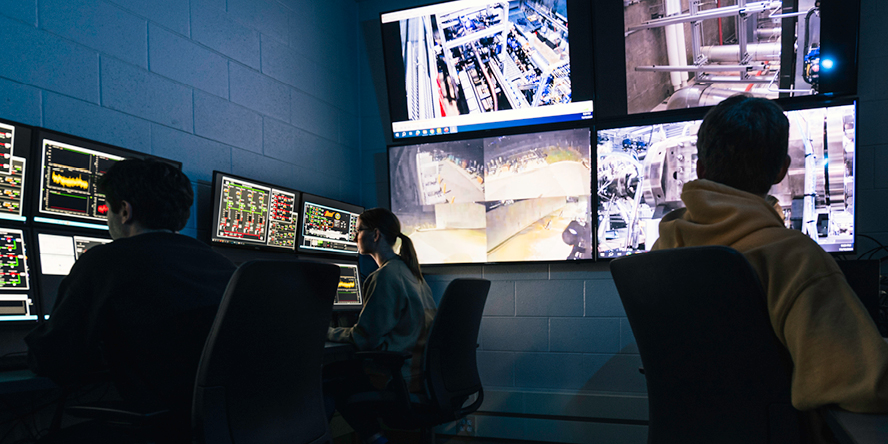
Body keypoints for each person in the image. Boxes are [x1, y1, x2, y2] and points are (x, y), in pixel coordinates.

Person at [651, 95, 888, 438]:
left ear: (700, 169)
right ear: (780, 170)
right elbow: (863, 385)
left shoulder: (663, 250)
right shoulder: (792, 257)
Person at [26, 159, 237, 440]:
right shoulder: (221, 263)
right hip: (229, 423)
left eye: (107, 209)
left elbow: (56, 362)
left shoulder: (105, 261)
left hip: (165, 426)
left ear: (124, 211)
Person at [326, 208, 437, 444]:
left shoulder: (386, 276)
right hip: (419, 378)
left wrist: (327, 332)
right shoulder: (411, 274)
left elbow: (364, 340)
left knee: (330, 377)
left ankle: (375, 440)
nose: (355, 237)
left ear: (375, 235)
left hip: (397, 380)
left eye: (358, 231)